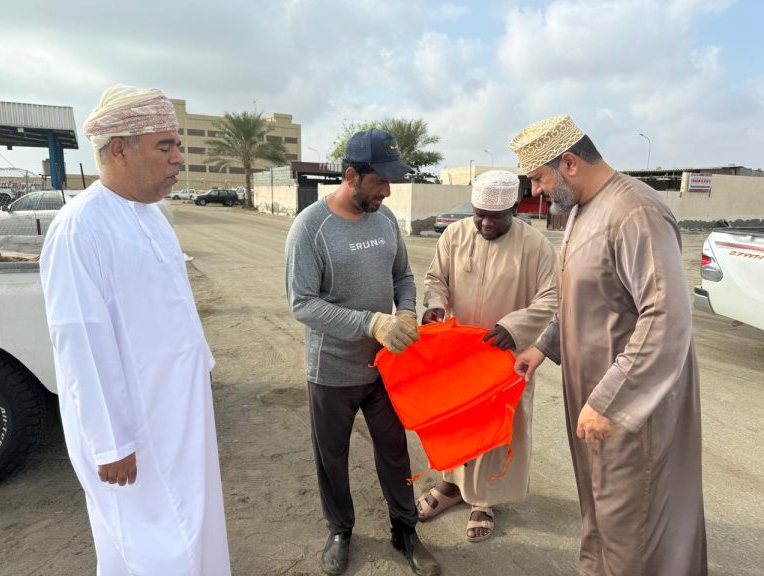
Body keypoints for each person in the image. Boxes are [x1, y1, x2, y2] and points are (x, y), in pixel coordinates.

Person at [40, 84, 231, 575]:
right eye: (165, 146)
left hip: (179, 414)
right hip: (134, 432)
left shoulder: (153, 217)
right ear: (119, 151)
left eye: (177, 145)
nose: (178, 158)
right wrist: (110, 442)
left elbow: (174, 309)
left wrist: (200, 366)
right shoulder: (80, 228)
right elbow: (79, 339)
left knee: (194, 532)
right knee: (152, 547)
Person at [510, 115, 707, 575]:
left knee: (633, 527)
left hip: (634, 408)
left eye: (538, 178)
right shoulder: (584, 209)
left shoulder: (635, 211)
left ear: (569, 163)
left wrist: (611, 401)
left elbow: (666, 316)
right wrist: (543, 347)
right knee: (600, 512)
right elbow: (581, 297)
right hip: (597, 402)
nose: (534, 190)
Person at [285, 128, 441, 576]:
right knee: (331, 456)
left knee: (394, 450)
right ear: (352, 176)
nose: (387, 192)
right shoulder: (310, 228)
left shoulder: (384, 219)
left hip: (384, 368)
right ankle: (340, 530)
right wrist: (370, 323)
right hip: (331, 370)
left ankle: (404, 530)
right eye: (380, 182)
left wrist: (405, 311)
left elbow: (402, 276)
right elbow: (302, 303)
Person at [416, 170, 558, 542]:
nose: (485, 223)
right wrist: (434, 306)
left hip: (504, 359)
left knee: (495, 429)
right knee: (456, 423)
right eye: (479, 214)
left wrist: (514, 326)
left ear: (515, 208)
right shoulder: (454, 235)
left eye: (495, 217)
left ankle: (484, 500)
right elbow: (436, 280)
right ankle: (450, 486)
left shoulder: (535, 246)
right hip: (459, 357)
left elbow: (551, 298)